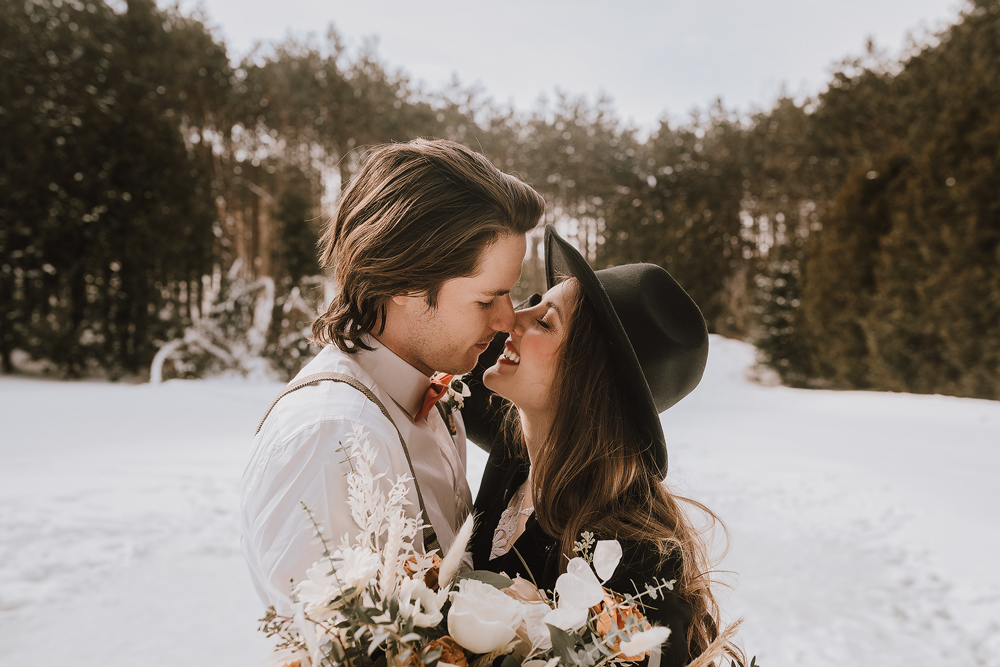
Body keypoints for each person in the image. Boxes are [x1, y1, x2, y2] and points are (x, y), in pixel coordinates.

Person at [240, 138, 545, 611]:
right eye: (487, 300)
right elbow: (336, 647)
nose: (508, 320)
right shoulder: (332, 439)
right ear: (403, 283)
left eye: (510, 294)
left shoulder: (435, 396)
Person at [467, 224, 740, 665]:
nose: (511, 318)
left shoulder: (631, 556)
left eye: (544, 322)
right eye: (535, 300)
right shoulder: (514, 457)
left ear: (586, 377)